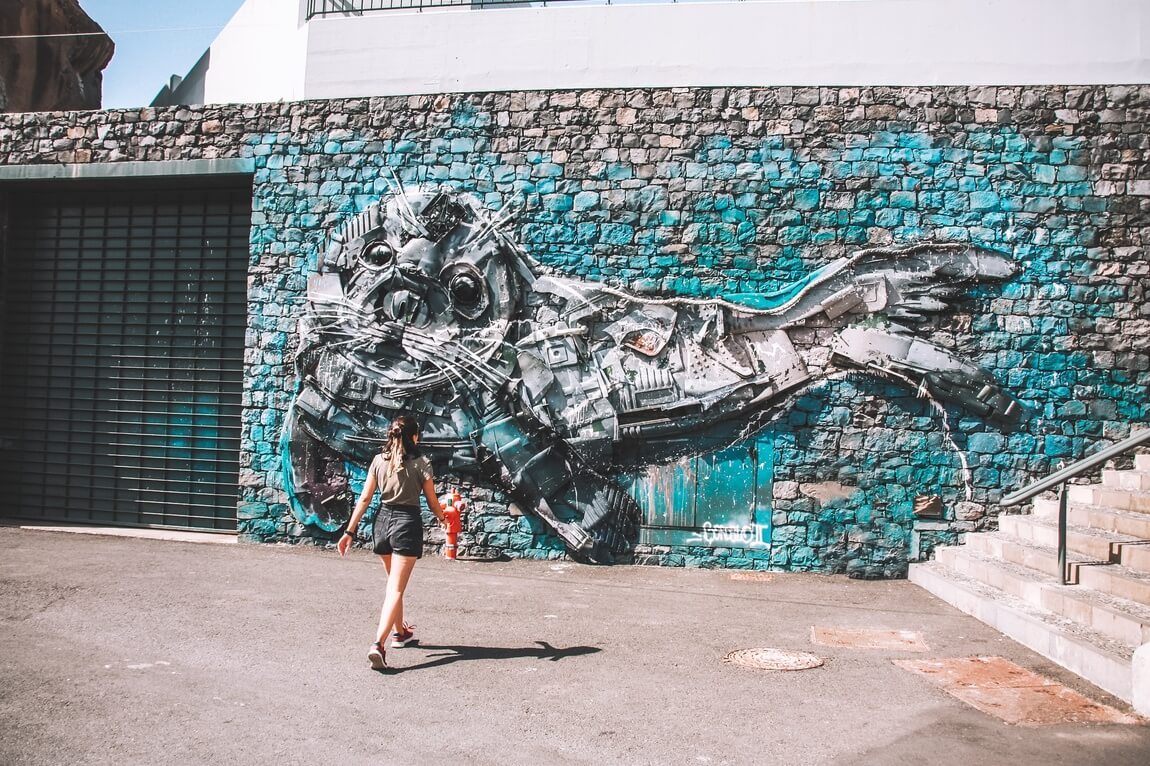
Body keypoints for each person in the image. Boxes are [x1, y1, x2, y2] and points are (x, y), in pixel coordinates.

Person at [338, 414, 447, 670]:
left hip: (382, 524)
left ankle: (400, 633)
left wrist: (349, 532)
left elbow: (364, 499)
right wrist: (443, 518)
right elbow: (432, 501)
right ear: (413, 437)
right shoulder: (421, 463)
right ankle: (378, 644)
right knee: (395, 590)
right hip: (406, 525)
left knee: (393, 586)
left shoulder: (378, 460)